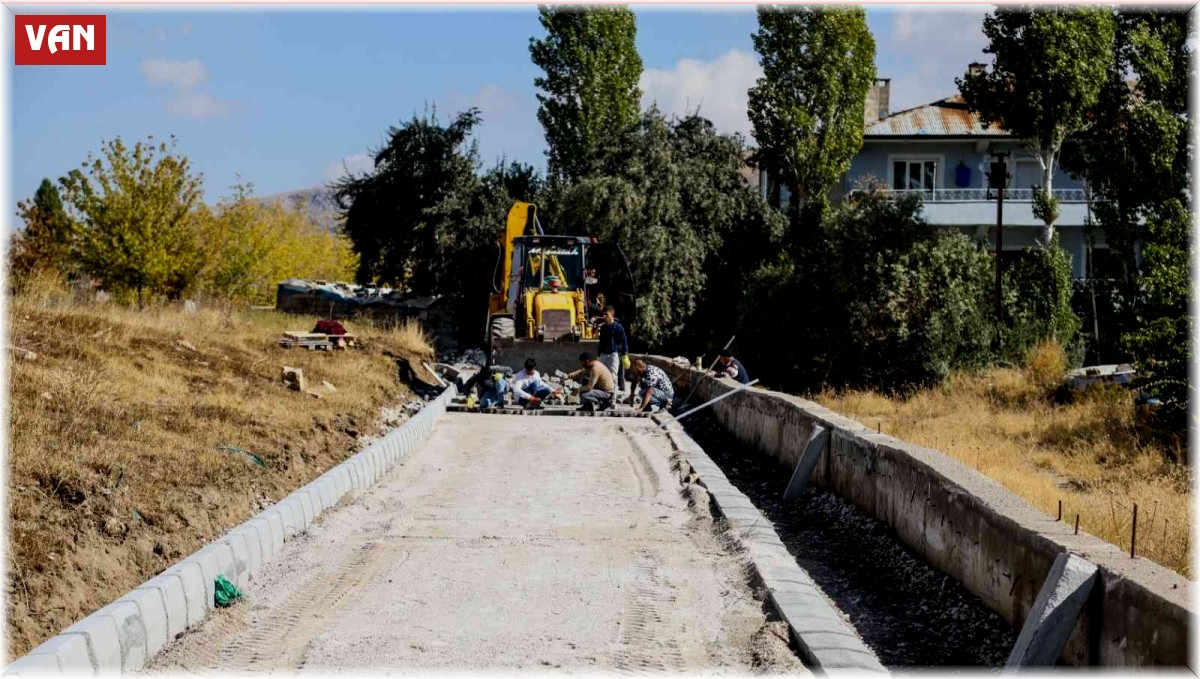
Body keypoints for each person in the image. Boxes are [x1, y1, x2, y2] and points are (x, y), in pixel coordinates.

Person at [597, 306, 629, 395]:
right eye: (603, 314)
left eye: (606, 314)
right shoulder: (603, 328)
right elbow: (601, 342)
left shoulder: (618, 327)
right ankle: (603, 395)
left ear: (611, 314)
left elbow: (624, 341)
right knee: (602, 376)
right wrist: (598, 355)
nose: (604, 316)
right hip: (603, 354)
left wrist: (625, 354)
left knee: (613, 376)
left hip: (613, 354)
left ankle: (612, 398)